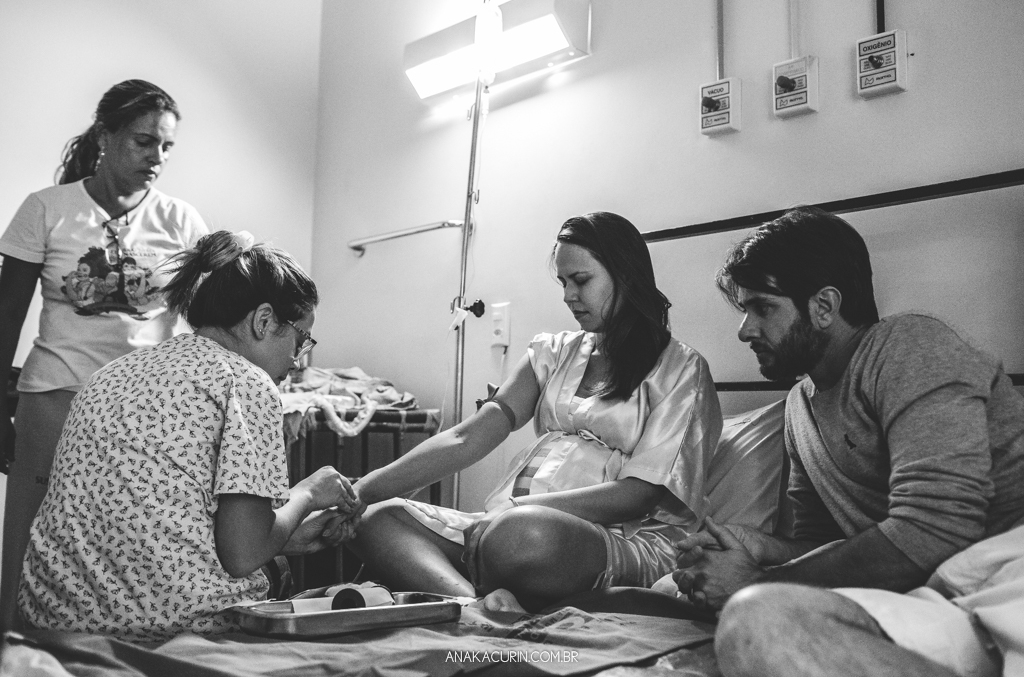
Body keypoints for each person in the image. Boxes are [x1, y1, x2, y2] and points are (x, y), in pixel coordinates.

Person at [673, 207, 1024, 677]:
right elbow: (827, 546)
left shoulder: (908, 346)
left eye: (763, 308)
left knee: (758, 614)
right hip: (937, 594)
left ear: (824, 305)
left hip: (1006, 571)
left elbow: (936, 527)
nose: (745, 330)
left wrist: (757, 580)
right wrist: (756, 547)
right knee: (720, 605)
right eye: (744, 311)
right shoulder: (799, 407)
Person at [349, 211, 722, 612]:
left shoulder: (681, 370)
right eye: (563, 282)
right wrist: (358, 493)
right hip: (506, 527)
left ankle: (492, 585)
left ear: (626, 276)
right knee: (377, 519)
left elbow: (638, 494)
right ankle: (473, 606)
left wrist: (520, 512)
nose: (568, 295)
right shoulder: (552, 351)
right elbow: (467, 437)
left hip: (613, 538)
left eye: (581, 280)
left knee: (522, 536)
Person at [18, 230, 362, 643]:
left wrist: (284, 536)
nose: (297, 360)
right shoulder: (245, 382)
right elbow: (242, 555)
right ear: (264, 320)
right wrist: (307, 493)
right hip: (169, 627)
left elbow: (159, 518)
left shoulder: (112, 373)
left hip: (55, 618)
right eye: (301, 338)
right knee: (278, 576)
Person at [0, 79, 210, 628]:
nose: (157, 157)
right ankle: (13, 646)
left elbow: (207, 320)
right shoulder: (47, 209)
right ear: (104, 136)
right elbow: (6, 313)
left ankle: (110, 651)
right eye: (144, 141)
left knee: (126, 540)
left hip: (144, 411)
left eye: (166, 146)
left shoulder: (181, 221)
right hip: (56, 394)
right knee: (31, 532)